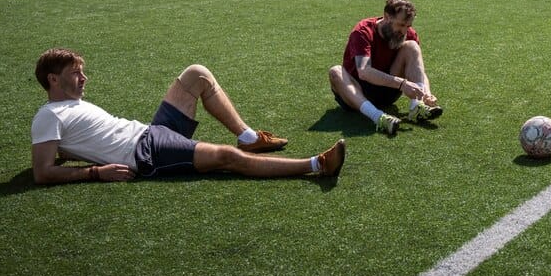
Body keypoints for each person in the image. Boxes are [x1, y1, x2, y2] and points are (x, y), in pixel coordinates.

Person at [31, 48, 346, 184]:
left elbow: (66, 147)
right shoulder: (49, 115)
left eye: (82, 72)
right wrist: (95, 172)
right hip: (145, 153)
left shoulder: (68, 110)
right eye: (75, 73)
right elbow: (42, 172)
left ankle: (249, 138)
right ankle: (317, 164)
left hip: (151, 132)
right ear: (53, 80)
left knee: (197, 74)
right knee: (225, 157)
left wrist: (68, 152)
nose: (84, 78)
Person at [329, 0, 443, 136]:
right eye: (401, 25)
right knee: (335, 71)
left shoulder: (409, 34)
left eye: (408, 26)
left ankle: (417, 106)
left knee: (412, 46)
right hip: (357, 93)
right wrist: (402, 84)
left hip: (388, 91)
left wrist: (426, 92)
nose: (404, 31)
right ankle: (378, 117)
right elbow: (364, 72)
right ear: (387, 16)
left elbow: (418, 69)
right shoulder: (363, 31)